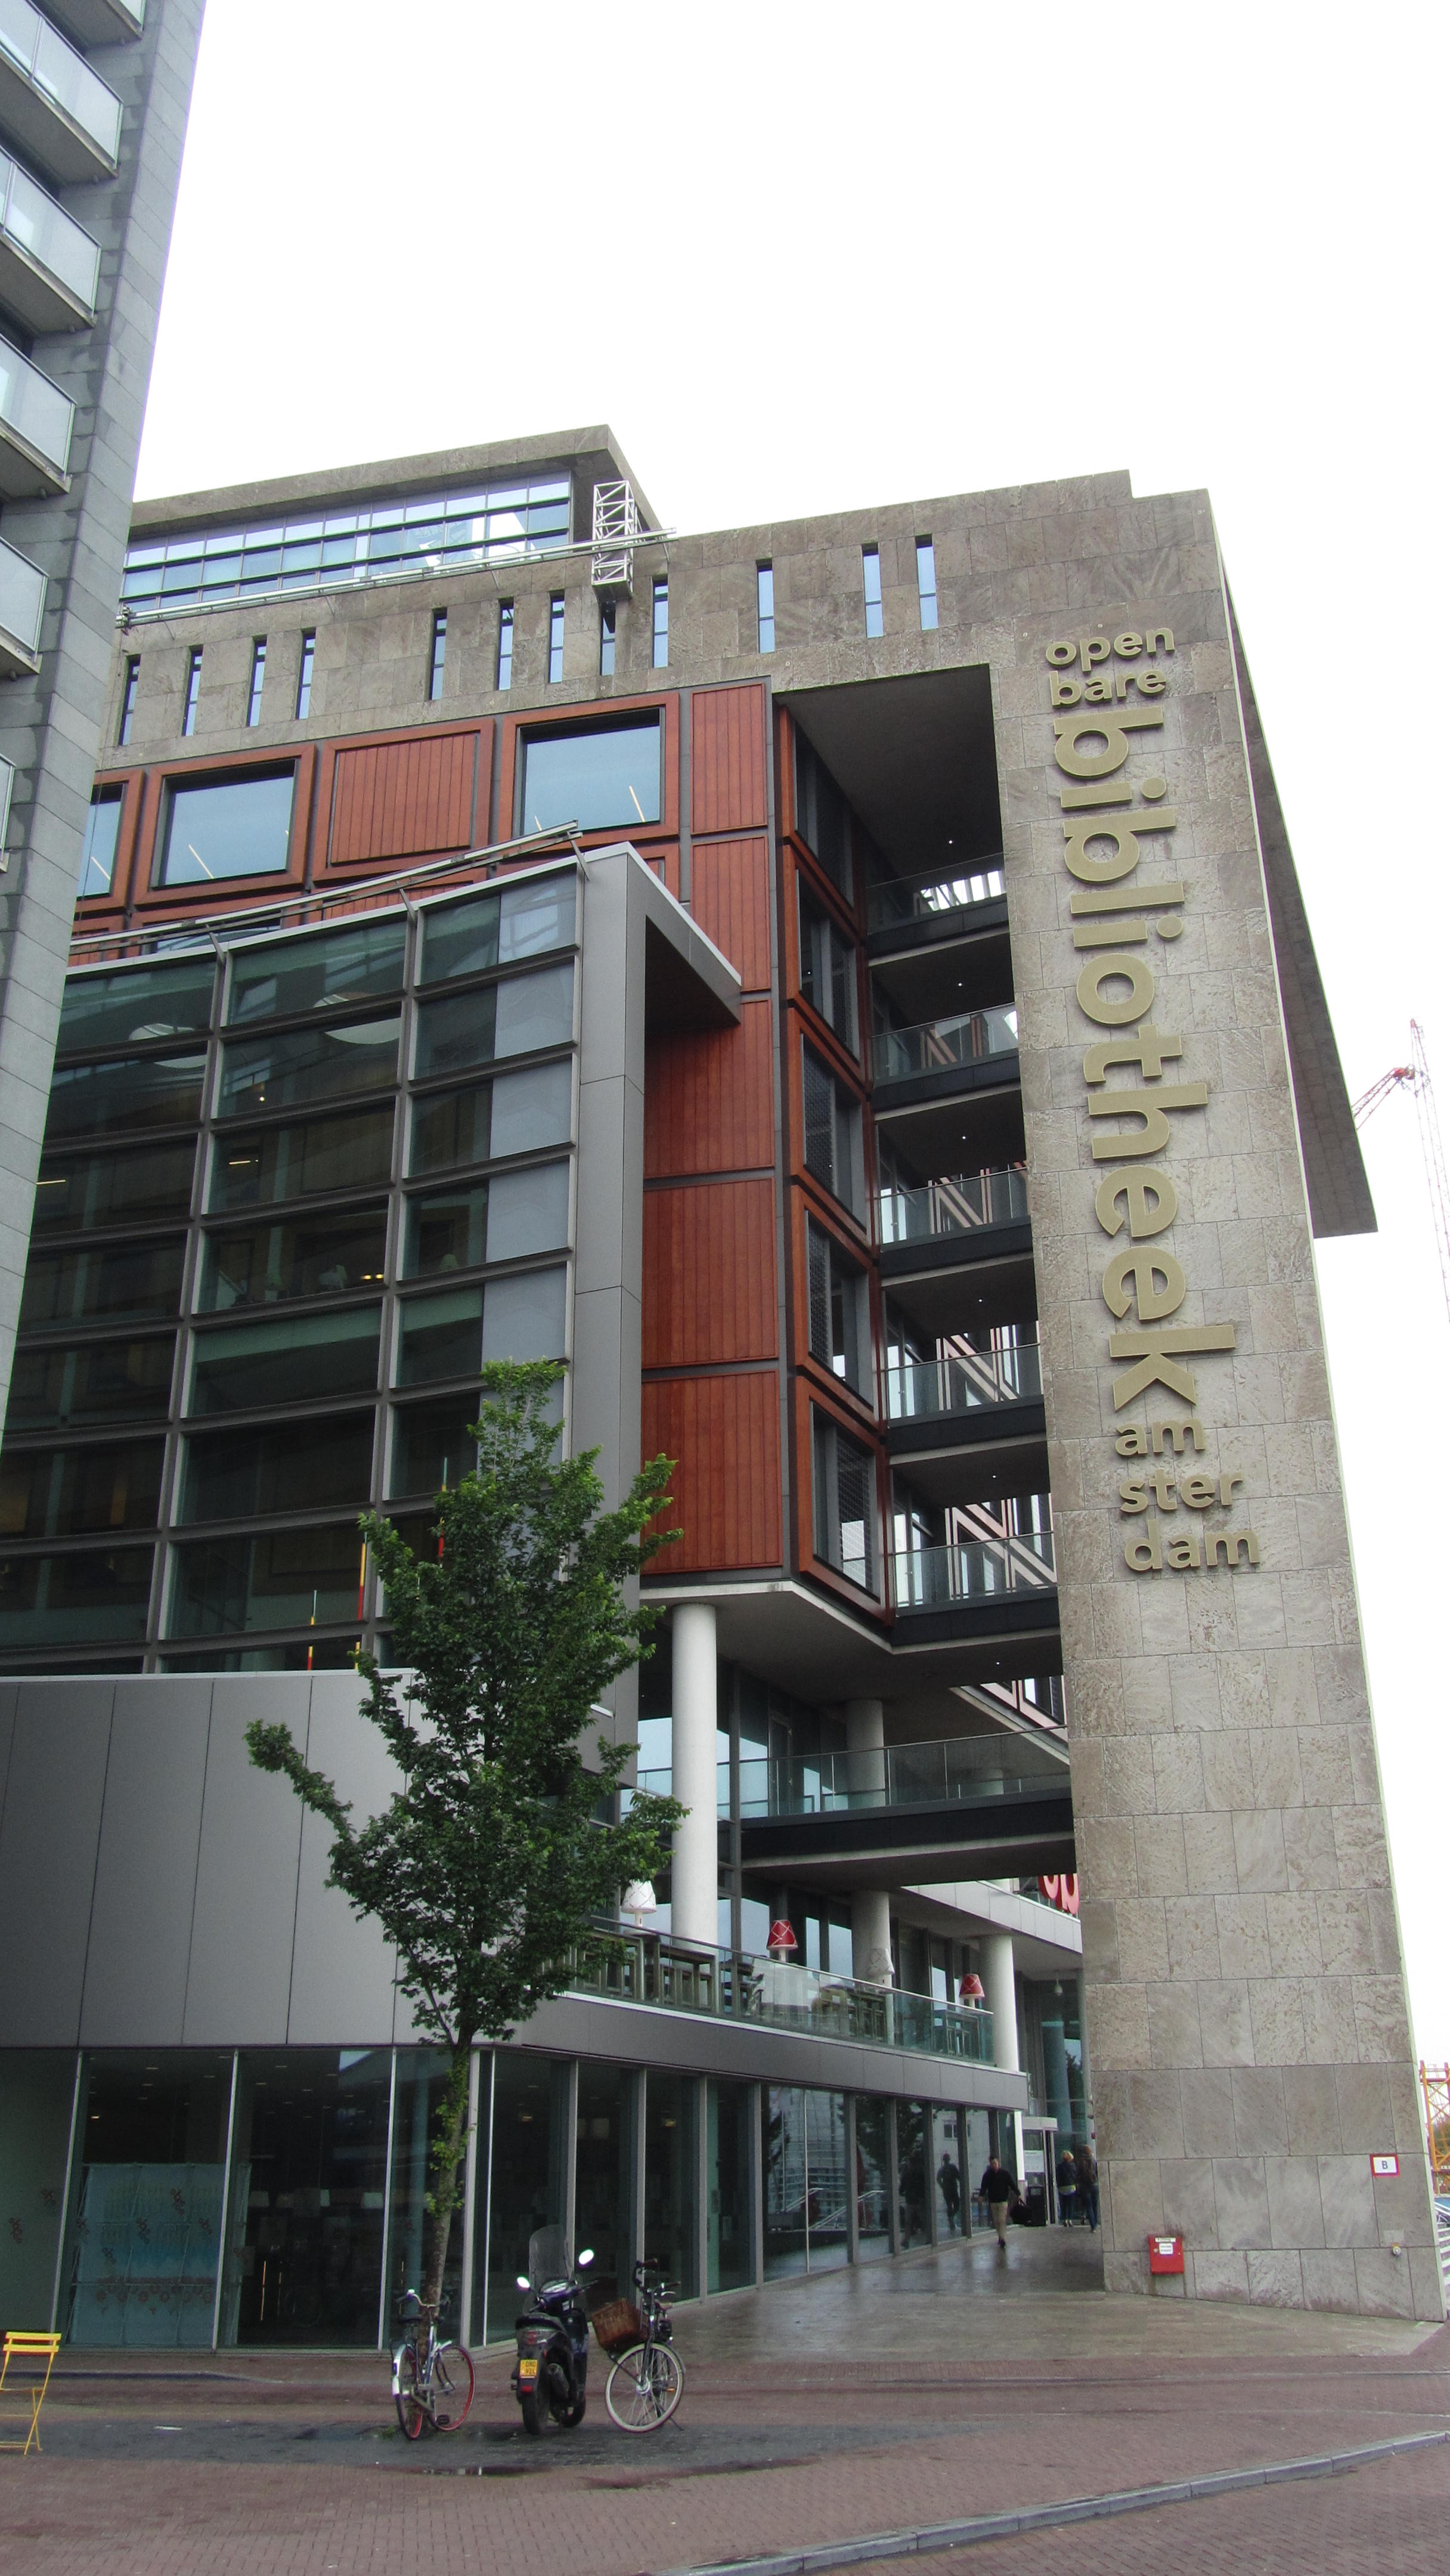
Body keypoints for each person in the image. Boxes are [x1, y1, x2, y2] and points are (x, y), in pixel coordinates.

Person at [979, 2151, 1015, 2252]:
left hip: (1003, 2201)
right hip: (993, 2201)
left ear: (998, 2163)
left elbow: (1012, 2184)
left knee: (1002, 2220)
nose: (994, 2166)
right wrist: (981, 2196)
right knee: (996, 2221)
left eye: (995, 2163)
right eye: (992, 2164)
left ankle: (1003, 2238)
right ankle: (1000, 2236)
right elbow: (984, 2187)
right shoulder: (988, 2175)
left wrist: (1018, 2194)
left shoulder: (1005, 2174)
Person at [937, 2149, 962, 2234]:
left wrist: (942, 2186)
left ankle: (951, 2218)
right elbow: (959, 2177)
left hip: (950, 2190)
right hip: (951, 2190)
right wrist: (943, 2186)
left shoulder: (947, 2168)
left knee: (953, 2206)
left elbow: (938, 2179)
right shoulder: (948, 2168)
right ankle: (951, 2220)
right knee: (953, 2206)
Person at [1075, 2141, 1099, 2232]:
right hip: (1094, 2185)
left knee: (1089, 2206)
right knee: (1095, 2205)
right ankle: (1096, 2223)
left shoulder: (1080, 2162)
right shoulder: (1093, 2161)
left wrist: (1078, 2183)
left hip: (1085, 2186)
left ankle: (1093, 2225)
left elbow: (1077, 2175)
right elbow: (1097, 2172)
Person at [1056, 2145, 1077, 2227]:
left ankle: (1065, 2219)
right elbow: (1075, 2176)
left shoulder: (1059, 2166)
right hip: (1071, 2186)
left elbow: (1058, 2176)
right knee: (1071, 2204)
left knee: (1064, 2204)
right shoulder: (1072, 2166)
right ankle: (1070, 2219)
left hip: (1062, 2187)